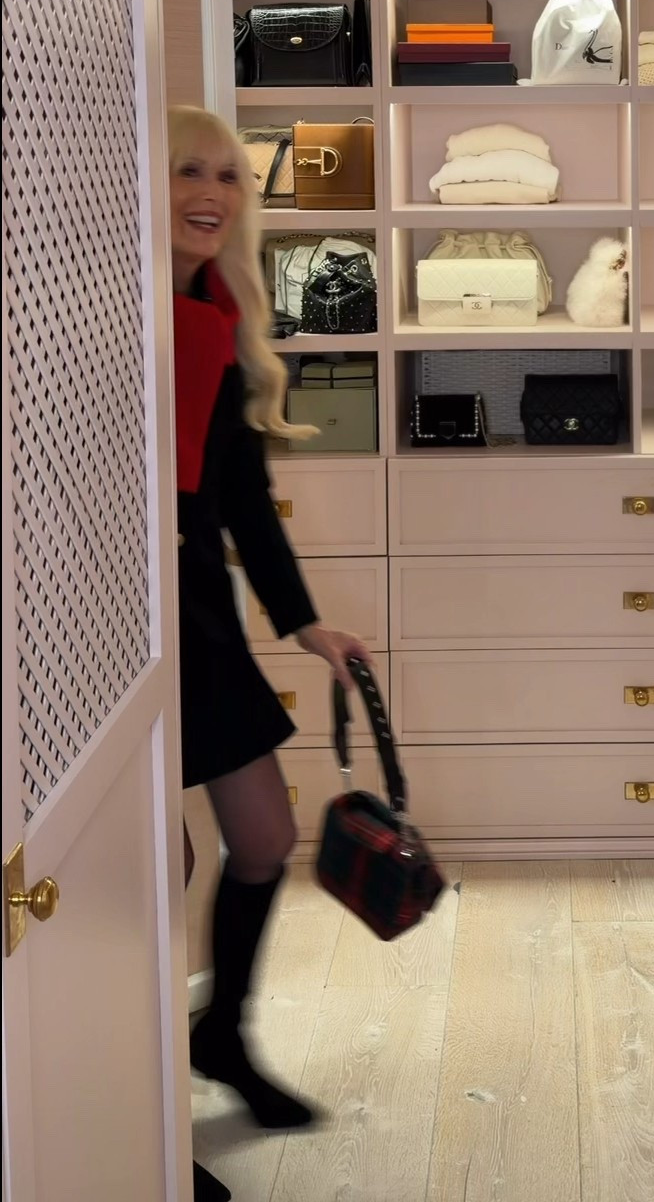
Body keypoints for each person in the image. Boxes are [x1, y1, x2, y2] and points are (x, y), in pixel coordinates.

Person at [168, 106, 370, 1202]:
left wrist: (302, 623)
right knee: (150, 869)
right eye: (187, 172)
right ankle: (138, 1120)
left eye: (228, 176)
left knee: (262, 838)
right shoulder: (109, 306)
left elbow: (242, 494)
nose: (211, 194)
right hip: (114, 622)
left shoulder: (222, 305)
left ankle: (222, 1038)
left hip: (196, 613)